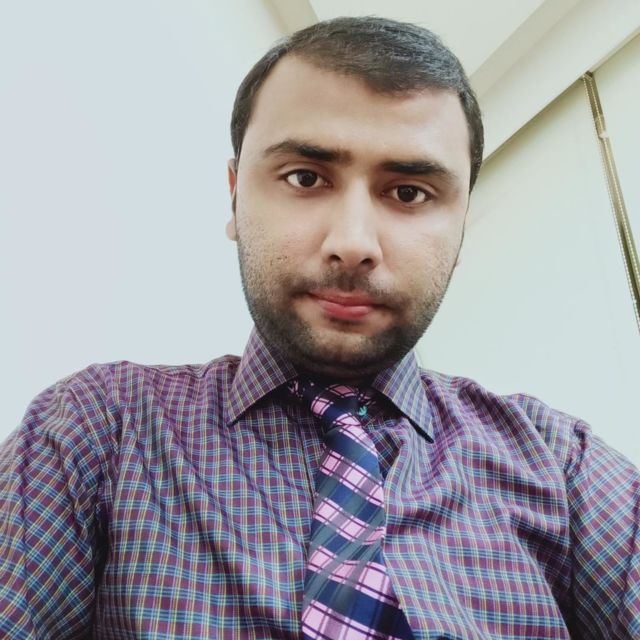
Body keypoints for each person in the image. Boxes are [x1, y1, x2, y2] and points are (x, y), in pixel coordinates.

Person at [1, 15, 638, 640]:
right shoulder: (97, 432)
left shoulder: (560, 465)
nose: (353, 243)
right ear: (235, 195)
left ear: (463, 221)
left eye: (409, 192)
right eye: (305, 178)